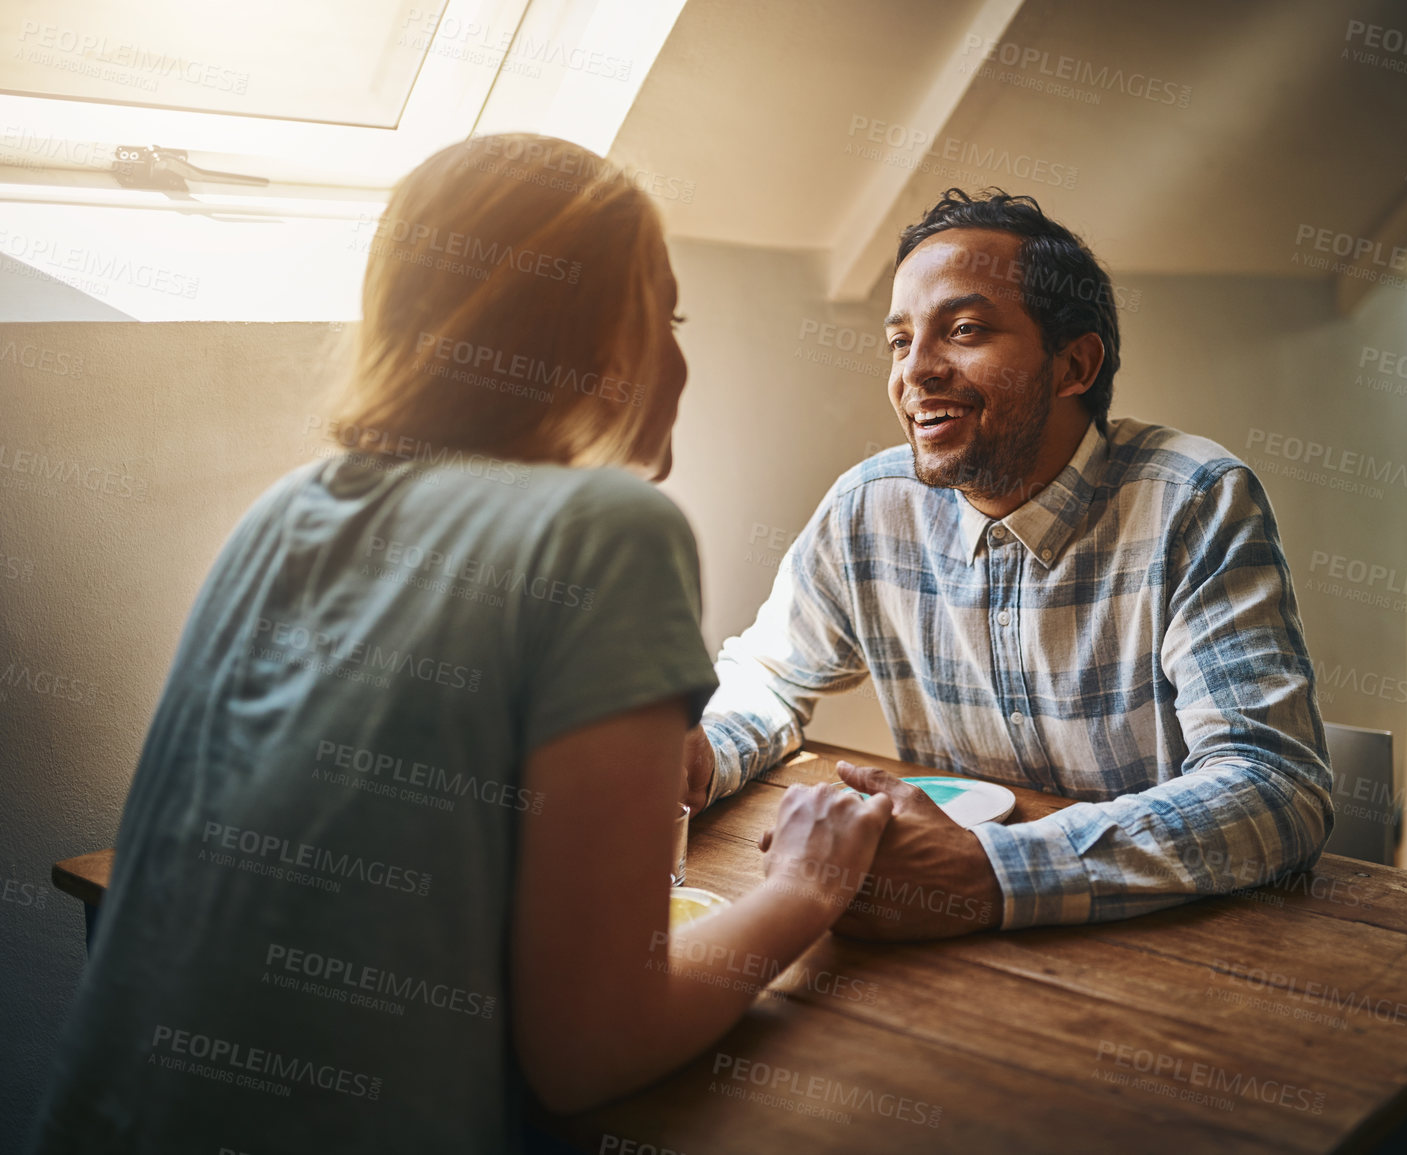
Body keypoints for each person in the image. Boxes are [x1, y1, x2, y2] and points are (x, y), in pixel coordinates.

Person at [29, 134, 890, 1155]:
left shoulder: (285, 510)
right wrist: (807, 890)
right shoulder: (609, 530)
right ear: (601, 338)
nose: (679, 354)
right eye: (667, 314)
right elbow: (593, 1052)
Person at [684, 188, 1332, 938]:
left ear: (1074, 364)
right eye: (899, 341)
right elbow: (768, 677)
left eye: (962, 330)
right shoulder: (868, 507)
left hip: (1168, 945)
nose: (915, 371)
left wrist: (988, 871)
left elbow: (1274, 786)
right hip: (946, 956)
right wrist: (706, 754)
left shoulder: (1194, 501)